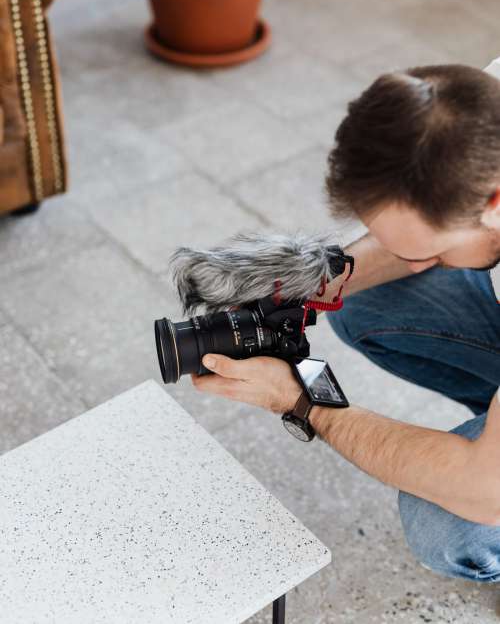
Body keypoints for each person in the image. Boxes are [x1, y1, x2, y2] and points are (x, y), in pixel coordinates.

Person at [191, 57, 500, 583]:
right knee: (365, 297)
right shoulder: (484, 106)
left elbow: (485, 492)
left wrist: (303, 403)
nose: (419, 265)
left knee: (449, 522)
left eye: (434, 253)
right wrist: (303, 287)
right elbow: (403, 242)